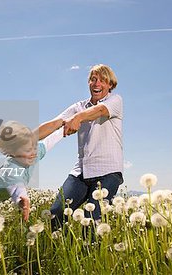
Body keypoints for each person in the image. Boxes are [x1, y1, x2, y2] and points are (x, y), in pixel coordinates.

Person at [49, 64, 123, 227]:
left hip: (108, 172)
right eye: (93, 79)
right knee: (56, 213)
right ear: (89, 83)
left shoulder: (115, 100)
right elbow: (54, 124)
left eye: (103, 80)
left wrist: (78, 118)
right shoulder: (78, 107)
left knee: (92, 223)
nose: (97, 83)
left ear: (110, 85)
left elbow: (100, 111)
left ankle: (88, 251)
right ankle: (64, 250)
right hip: (81, 171)